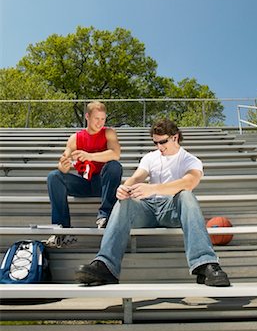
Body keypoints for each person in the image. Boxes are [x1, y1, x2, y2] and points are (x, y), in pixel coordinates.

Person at [75, 118, 230, 287]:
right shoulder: (150, 157)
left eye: (163, 142)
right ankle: (106, 266)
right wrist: (124, 188)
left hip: (173, 210)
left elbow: (189, 183)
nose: (159, 147)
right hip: (148, 209)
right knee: (124, 201)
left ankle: (205, 264)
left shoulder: (190, 160)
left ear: (175, 137)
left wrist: (154, 188)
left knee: (186, 195)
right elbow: (137, 177)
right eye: (155, 143)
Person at [46, 101, 122, 248]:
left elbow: (115, 154)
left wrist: (90, 156)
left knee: (114, 166)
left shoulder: (108, 133)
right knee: (54, 176)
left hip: (103, 183)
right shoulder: (75, 138)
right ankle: (62, 228)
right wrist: (64, 164)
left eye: (103, 119)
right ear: (87, 116)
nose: (100, 122)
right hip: (84, 183)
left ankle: (105, 216)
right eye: (96, 118)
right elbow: (64, 162)